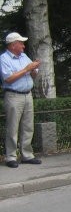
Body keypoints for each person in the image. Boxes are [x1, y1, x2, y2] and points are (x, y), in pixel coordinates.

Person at [1, 32, 41, 168]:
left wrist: (34, 69)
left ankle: (27, 155)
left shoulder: (24, 56)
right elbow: (8, 78)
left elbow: (33, 74)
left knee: (28, 126)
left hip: (27, 94)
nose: (23, 46)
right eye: (21, 43)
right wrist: (26, 69)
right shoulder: (3, 59)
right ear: (13, 45)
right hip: (13, 95)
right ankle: (11, 157)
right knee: (12, 127)